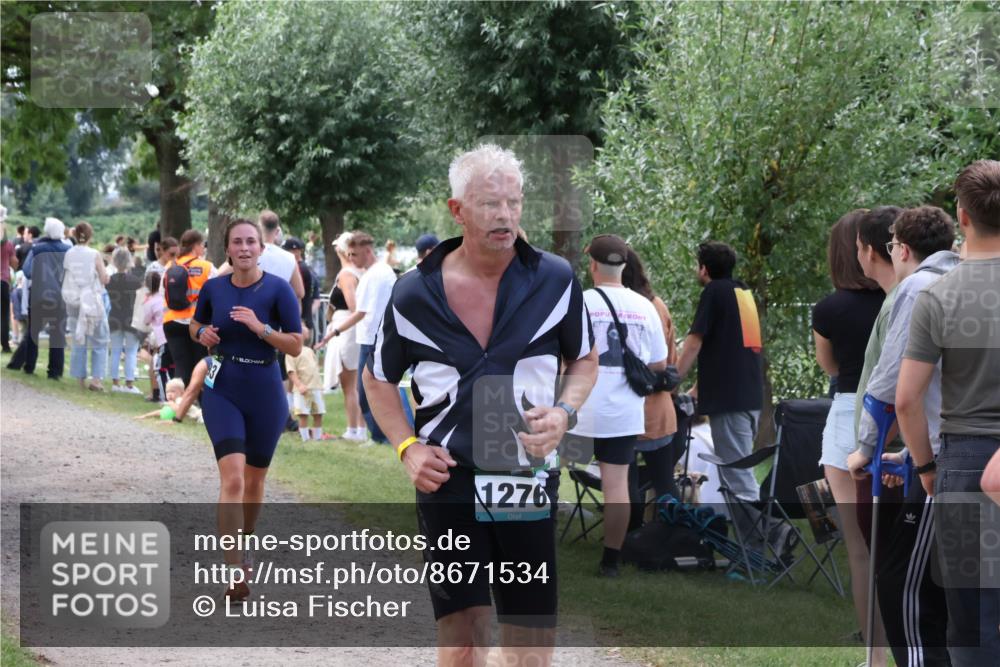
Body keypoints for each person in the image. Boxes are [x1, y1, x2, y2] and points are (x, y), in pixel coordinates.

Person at [364, 144, 597, 665]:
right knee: (465, 639)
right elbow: (377, 380)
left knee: (530, 646)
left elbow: (585, 361)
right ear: (457, 210)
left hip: (523, 477)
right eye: (491, 204)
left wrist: (563, 414)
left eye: (514, 203)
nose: (506, 216)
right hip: (450, 480)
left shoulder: (555, 280)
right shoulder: (412, 294)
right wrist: (406, 448)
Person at [844, 206, 958, 666]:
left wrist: (866, 449)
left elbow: (890, 387)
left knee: (903, 586)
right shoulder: (970, 278)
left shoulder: (917, 287)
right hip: (954, 451)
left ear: (902, 249)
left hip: (943, 460)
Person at [897, 160, 1000, 665]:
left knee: (972, 615)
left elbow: (907, 398)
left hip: (965, 460)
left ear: (962, 216)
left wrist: (925, 467)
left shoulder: (939, 296)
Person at [189, 218, 302, 601]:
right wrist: (200, 333)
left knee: (254, 482)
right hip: (223, 389)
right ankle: (234, 569)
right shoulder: (214, 287)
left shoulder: (278, 289)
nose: (244, 248)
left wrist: (260, 328)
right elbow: (196, 323)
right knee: (233, 479)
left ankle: (245, 541)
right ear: (227, 248)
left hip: (266, 391)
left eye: (251, 242)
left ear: (261, 248)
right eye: (237, 242)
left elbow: (296, 345)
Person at [566, 235, 668, 577]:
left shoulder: (579, 301)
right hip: (623, 411)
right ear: (624, 266)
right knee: (616, 485)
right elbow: (658, 364)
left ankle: (532, 547)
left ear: (592, 265)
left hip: (576, 406)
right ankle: (611, 560)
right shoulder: (645, 307)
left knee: (544, 472)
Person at [810, 210, 886, 646]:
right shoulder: (900, 299)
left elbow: (830, 367)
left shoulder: (828, 309)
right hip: (894, 412)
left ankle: (872, 645)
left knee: (858, 548)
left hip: (845, 413)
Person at [676, 241, 764, 504]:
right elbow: (735, 352)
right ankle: (747, 537)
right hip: (750, 398)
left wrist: (672, 381)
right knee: (734, 472)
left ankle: (765, 536)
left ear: (704, 269)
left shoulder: (713, 292)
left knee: (738, 477)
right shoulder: (743, 294)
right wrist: (697, 390)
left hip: (730, 403)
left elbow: (694, 342)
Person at [336, 231, 412, 443]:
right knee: (376, 390)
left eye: (354, 254)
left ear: (367, 251)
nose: (351, 259)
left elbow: (360, 312)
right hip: (372, 338)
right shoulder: (375, 273)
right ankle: (383, 435)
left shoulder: (377, 274)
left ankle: (384, 436)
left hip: (374, 340)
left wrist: (335, 331)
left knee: (375, 390)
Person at [621, 247, 680, 511]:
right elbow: (671, 363)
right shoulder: (658, 306)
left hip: (622, 410)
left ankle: (626, 540)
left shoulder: (611, 307)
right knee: (665, 483)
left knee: (625, 484)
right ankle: (676, 535)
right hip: (658, 410)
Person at [316, 231, 365, 440]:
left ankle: (355, 429)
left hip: (346, 328)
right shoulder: (359, 272)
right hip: (347, 326)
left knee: (350, 384)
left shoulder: (347, 274)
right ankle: (356, 428)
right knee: (352, 383)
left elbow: (354, 305)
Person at [8, 218, 71, 379]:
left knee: (33, 333)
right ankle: (55, 372)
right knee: (58, 335)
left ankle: (29, 367)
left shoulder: (37, 249)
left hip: (39, 294)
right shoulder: (67, 250)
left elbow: (27, 272)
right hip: (60, 297)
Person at [163, 229, 213, 387]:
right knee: (200, 365)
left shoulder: (170, 266)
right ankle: (200, 404)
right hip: (197, 324)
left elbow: (161, 292)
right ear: (196, 246)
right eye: (203, 245)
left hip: (172, 322)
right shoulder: (206, 267)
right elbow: (217, 293)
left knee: (180, 366)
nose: (204, 248)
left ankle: (179, 402)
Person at [107, 246, 145, 394]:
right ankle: (129, 384)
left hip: (114, 317)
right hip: (131, 319)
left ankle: (115, 382)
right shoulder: (136, 281)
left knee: (115, 351)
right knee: (131, 352)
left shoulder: (109, 280)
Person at [287, 323, 330, 441]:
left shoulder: (309, 351)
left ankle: (317, 437)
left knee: (318, 413)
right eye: (302, 328)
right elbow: (291, 372)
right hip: (302, 390)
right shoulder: (291, 352)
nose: (306, 330)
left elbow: (315, 367)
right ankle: (305, 438)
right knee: (303, 415)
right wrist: (299, 385)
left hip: (315, 387)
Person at [142, 271, 168, 402]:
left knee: (153, 363)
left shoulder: (150, 301)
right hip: (168, 333)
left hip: (157, 335)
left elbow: (146, 320)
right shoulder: (163, 298)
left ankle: (155, 392)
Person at [135, 376, 202, 423]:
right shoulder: (173, 402)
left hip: (201, 416)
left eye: (173, 391)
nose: (169, 394)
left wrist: (171, 404)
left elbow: (178, 410)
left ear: (182, 393)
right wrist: (145, 416)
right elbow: (160, 412)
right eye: (167, 392)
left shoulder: (180, 400)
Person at [2, 209, 16, 354]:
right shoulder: (8, 244)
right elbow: (14, 263)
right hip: (3, 281)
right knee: (4, 315)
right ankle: (5, 345)